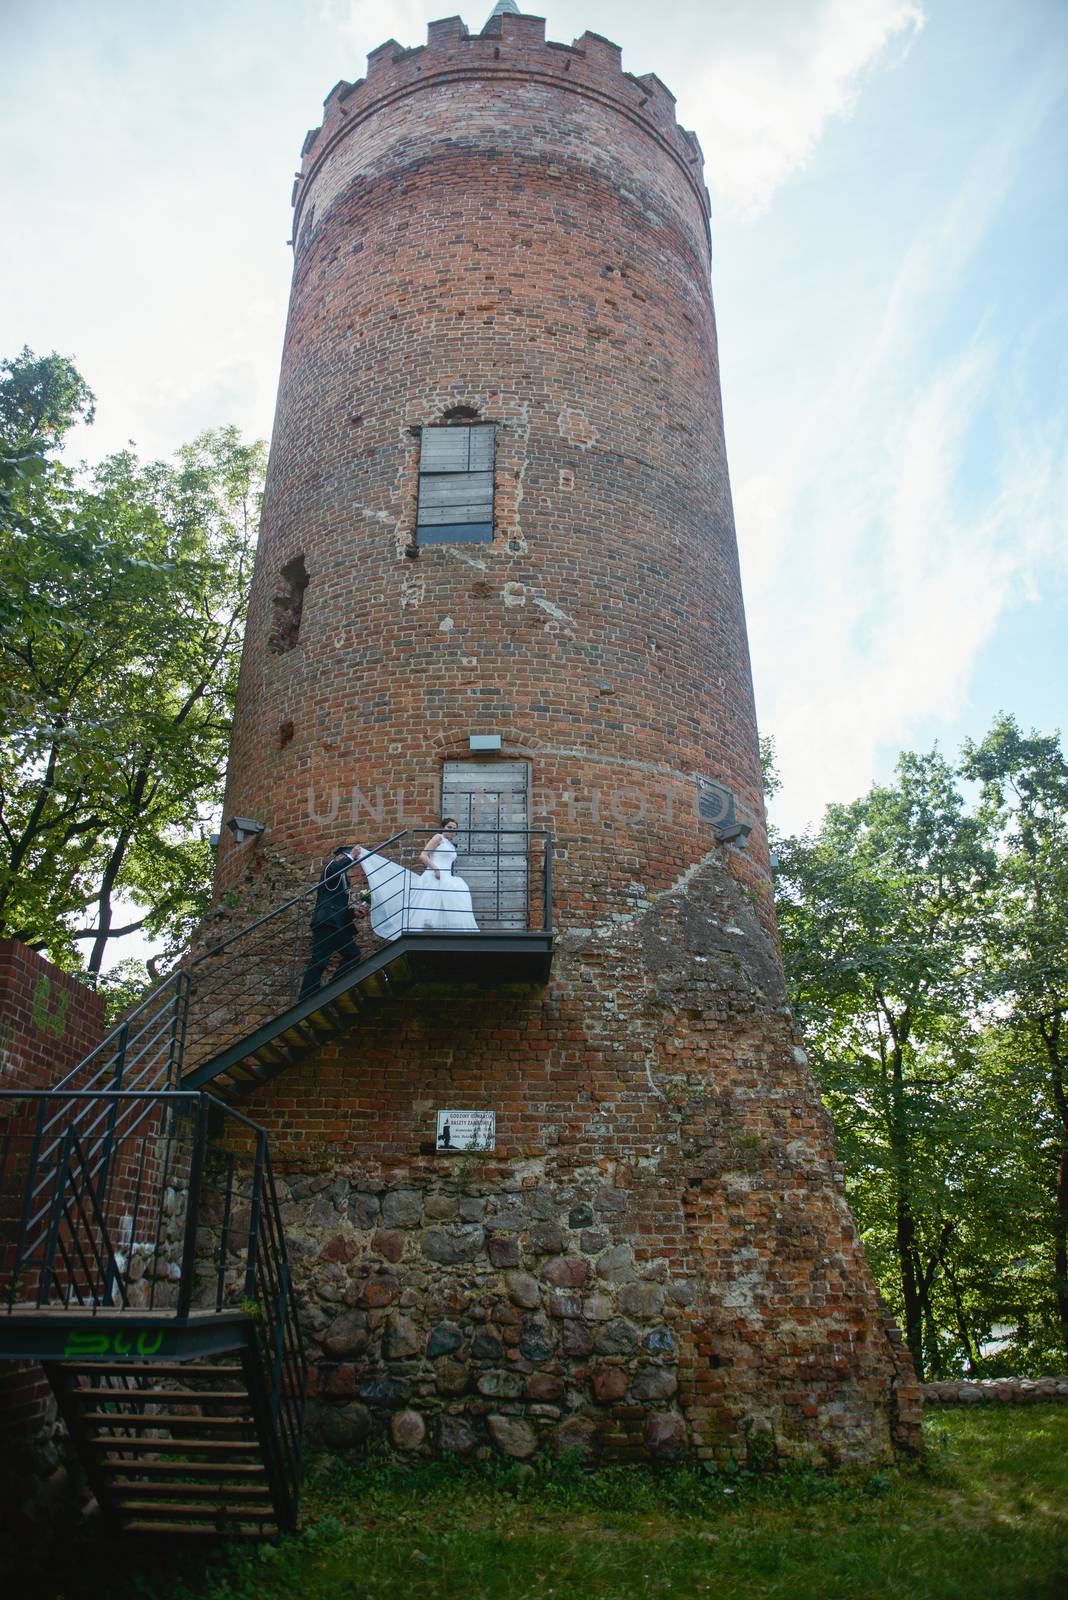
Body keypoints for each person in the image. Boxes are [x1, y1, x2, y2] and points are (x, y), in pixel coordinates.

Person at [354, 819, 479, 937]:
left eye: (454, 829)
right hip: (434, 875)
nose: (451, 830)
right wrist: (435, 868)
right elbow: (423, 855)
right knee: (427, 908)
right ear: (443, 827)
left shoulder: (451, 845)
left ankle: (444, 933)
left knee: (456, 894)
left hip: (447, 877)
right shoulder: (438, 838)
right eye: (449, 827)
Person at [299, 844, 364, 999]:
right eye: (349, 858)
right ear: (340, 857)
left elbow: (340, 904)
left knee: (353, 954)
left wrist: (353, 912)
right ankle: (307, 997)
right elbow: (335, 869)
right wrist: (350, 856)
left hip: (339, 925)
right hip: (327, 922)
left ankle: (332, 988)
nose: (353, 862)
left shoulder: (344, 879)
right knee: (319, 961)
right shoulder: (331, 868)